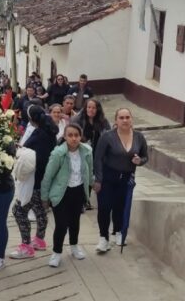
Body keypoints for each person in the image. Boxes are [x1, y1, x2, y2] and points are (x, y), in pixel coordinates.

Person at [93, 108, 148, 253]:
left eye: (127, 117)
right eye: (121, 118)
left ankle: (118, 232)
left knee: (120, 207)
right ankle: (103, 238)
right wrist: (98, 179)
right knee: (105, 207)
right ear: (116, 120)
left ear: (131, 119)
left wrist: (139, 161)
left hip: (126, 178)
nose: (125, 120)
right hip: (107, 177)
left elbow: (145, 157)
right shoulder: (107, 137)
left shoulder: (139, 137)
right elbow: (98, 158)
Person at [8, 106, 58, 260]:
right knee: (40, 210)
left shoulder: (38, 134)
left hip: (34, 180)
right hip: (44, 179)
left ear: (31, 119)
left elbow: (28, 153)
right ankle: (39, 240)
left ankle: (26, 246)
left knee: (19, 211)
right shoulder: (50, 132)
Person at [41, 124, 93, 267]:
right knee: (61, 225)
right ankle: (56, 252)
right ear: (64, 137)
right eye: (70, 135)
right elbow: (48, 176)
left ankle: (74, 246)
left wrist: (92, 185)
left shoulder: (87, 151)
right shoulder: (58, 154)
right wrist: (44, 197)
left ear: (80, 136)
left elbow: (90, 169)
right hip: (62, 193)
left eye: (76, 135)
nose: (74, 138)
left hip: (78, 192)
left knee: (75, 222)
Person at [72, 98, 111, 210]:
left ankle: (86, 199)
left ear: (97, 109)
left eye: (94, 108)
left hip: (97, 153)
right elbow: (72, 134)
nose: (91, 110)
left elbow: (108, 136)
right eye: (89, 107)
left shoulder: (103, 121)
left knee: (90, 176)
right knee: (81, 175)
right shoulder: (78, 119)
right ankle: (80, 201)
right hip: (81, 152)